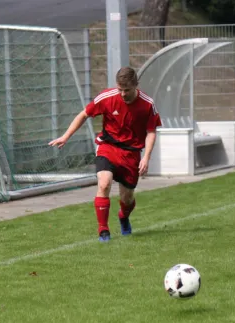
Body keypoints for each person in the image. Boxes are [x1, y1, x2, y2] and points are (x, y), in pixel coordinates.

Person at [48, 67, 162, 242]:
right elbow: (84, 114)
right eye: (120, 89)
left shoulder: (147, 104)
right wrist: (66, 136)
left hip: (131, 153)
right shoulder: (107, 97)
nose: (123, 94)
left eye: (127, 90)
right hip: (107, 146)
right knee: (104, 184)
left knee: (128, 198)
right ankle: (103, 231)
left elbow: (151, 131)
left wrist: (146, 157)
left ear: (136, 85)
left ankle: (123, 217)